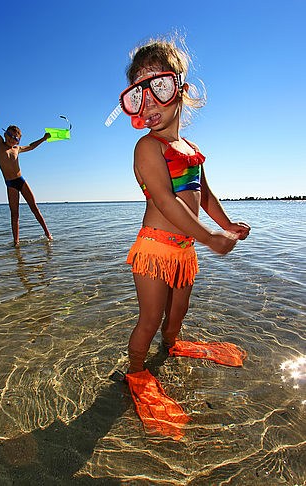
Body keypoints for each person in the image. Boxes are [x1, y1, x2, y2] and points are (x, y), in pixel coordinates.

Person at [122, 37, 251, 374]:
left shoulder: (190, 147)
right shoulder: (147, 147)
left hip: (184, 251)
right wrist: (210, 237)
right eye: (139, 95)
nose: (149, 104)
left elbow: (204, 195)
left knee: (178, 313)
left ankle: (171, 349)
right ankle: (135, 373)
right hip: (154, 249)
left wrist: (226, 226)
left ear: (180, 89)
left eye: (159, 88)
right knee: (149, 320)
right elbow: (165, 200)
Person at [0, 87, 53, 246]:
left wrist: (43, 138)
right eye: (11, 135)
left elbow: (32, 146)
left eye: (16, 138)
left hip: (20, 180)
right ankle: (16, 242)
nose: (13, 140)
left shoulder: (17, 149)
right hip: (10, 184)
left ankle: (48, 234)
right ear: (6, 134)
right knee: (14, 214)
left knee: (34, 208)